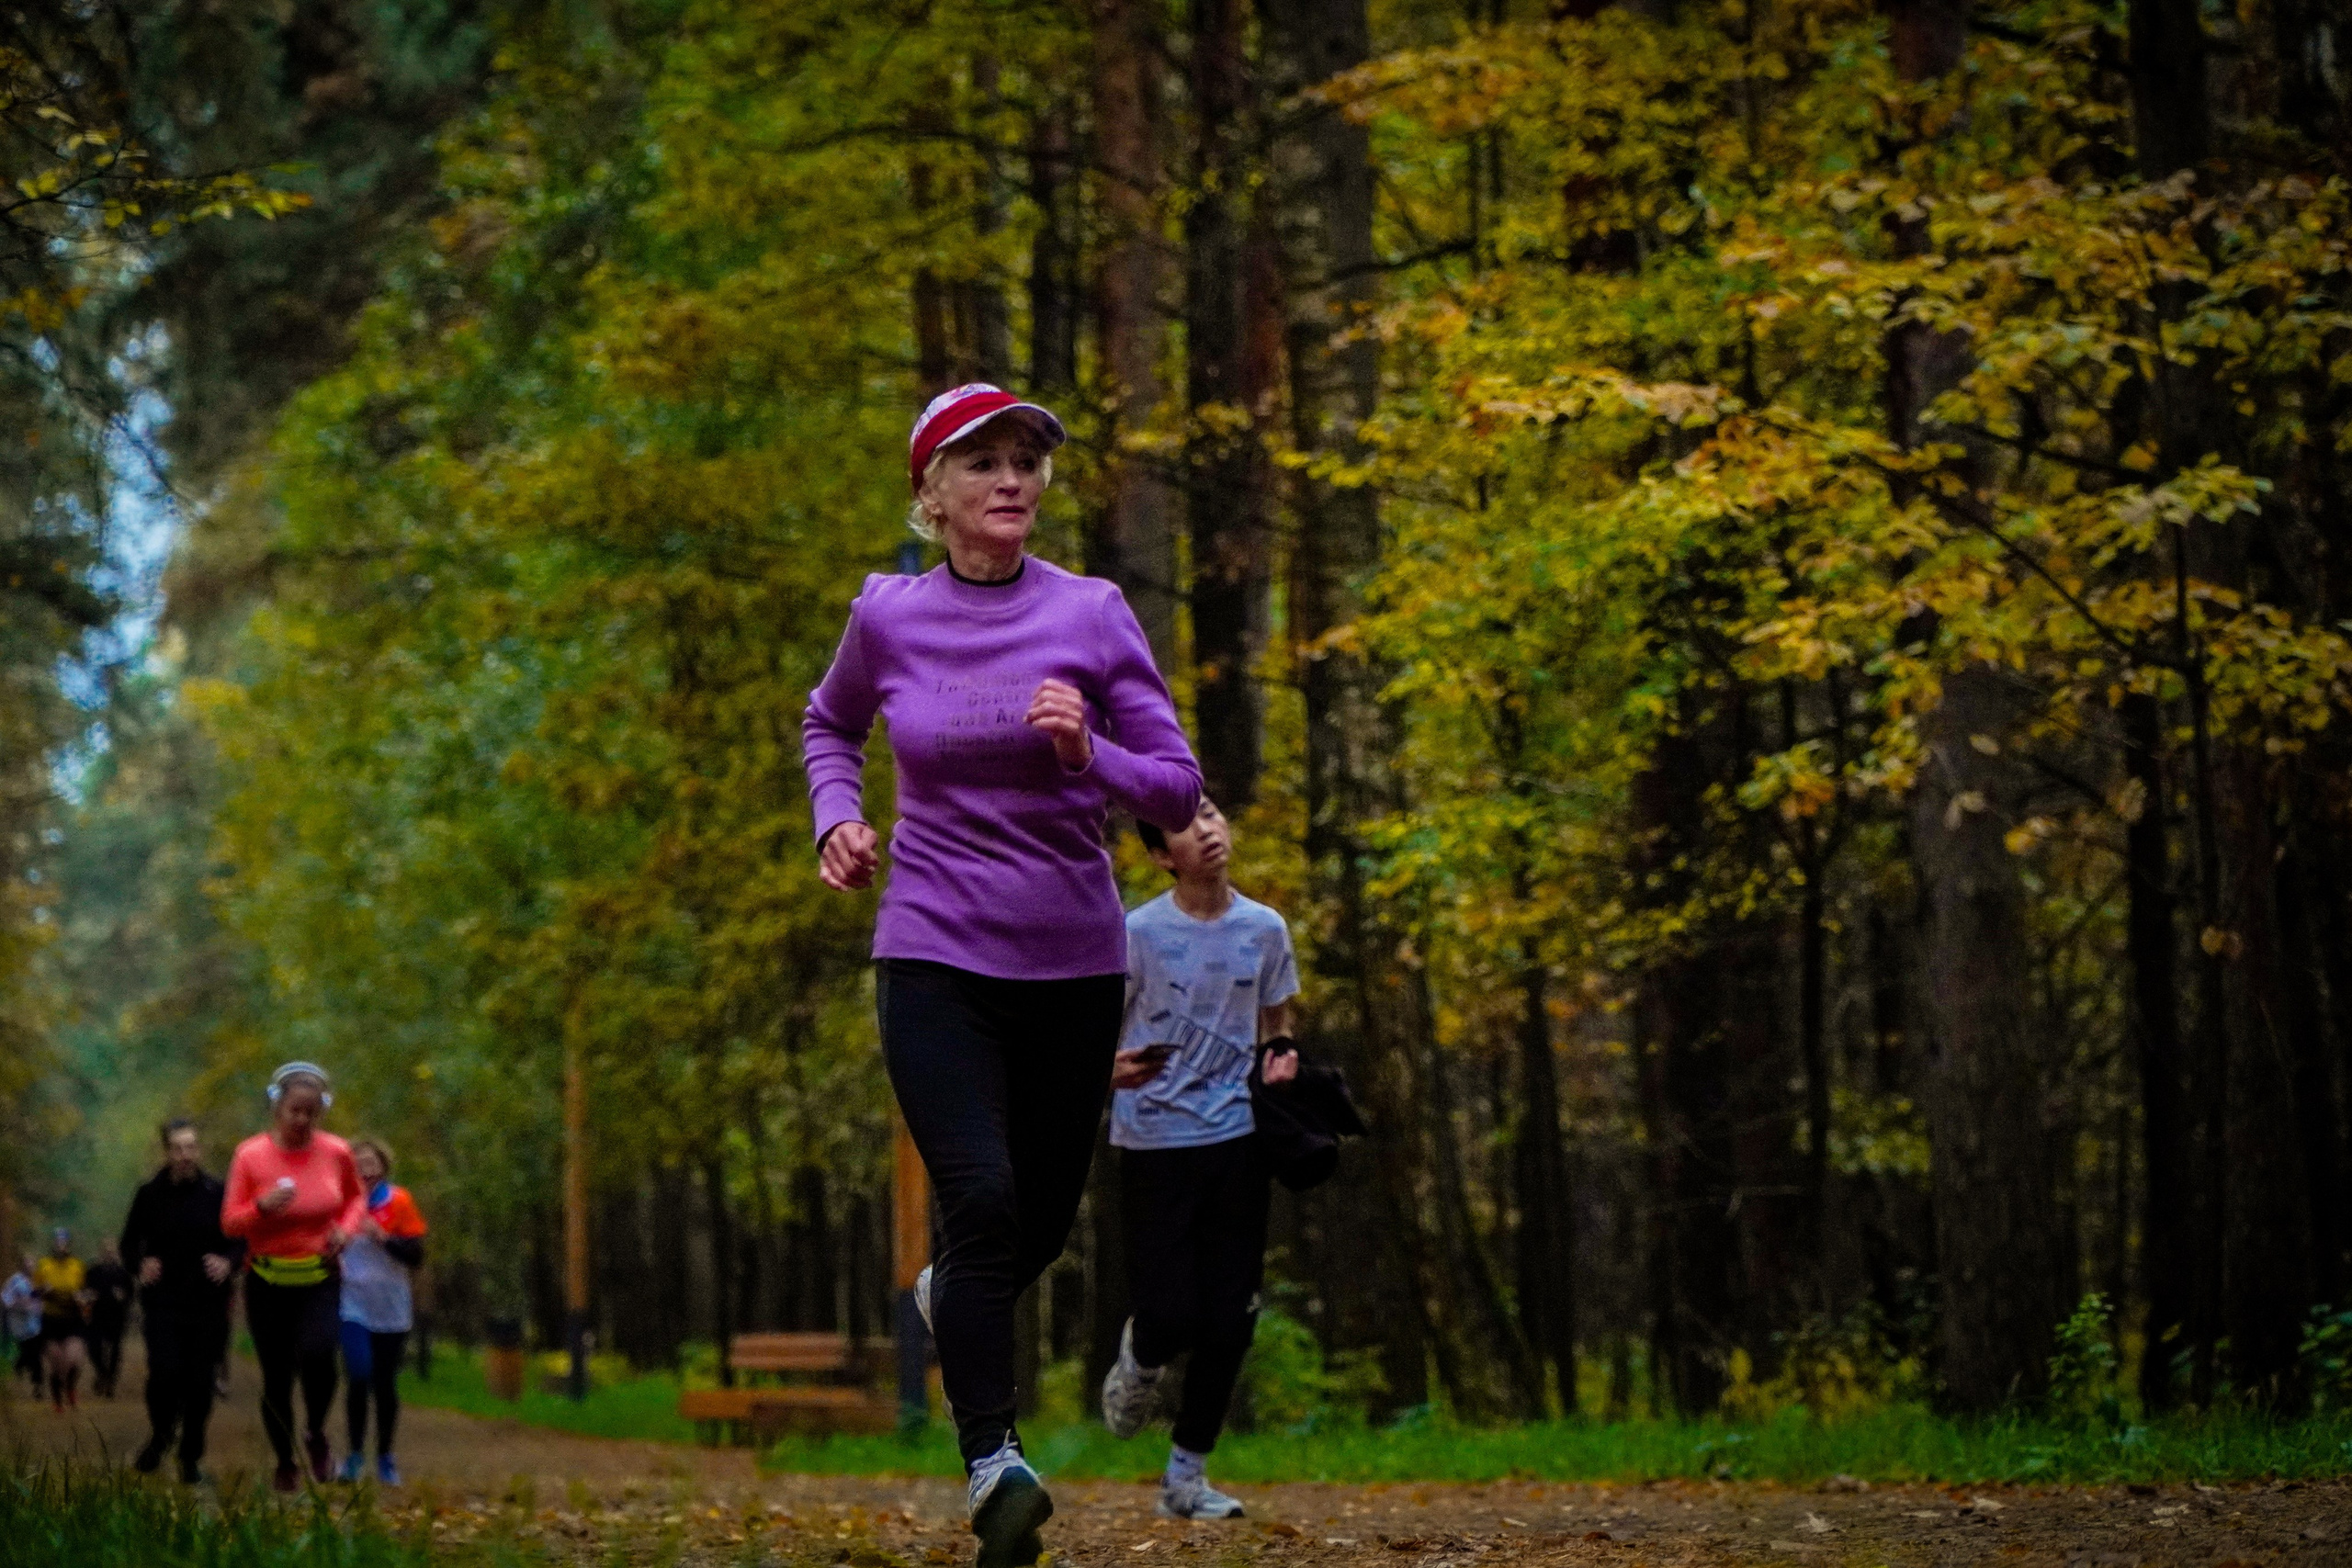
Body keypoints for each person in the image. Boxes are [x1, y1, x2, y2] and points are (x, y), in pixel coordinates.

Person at [803, 382, 1202, 1568]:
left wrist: (1093, 750)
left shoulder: (1092, 611)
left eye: (1027, 458)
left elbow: (1177, 788)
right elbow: (830, 725)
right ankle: (995, 1460)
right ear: (932, 494)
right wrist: (838, 819)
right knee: (977, 1195)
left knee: (1029, 1221)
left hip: (1072, 959)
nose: (1013, 479)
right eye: (983, 462)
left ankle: (951, 1305)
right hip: (930, 947)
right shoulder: (888, 616)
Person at [1098, 798, 1300, 1519]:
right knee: (1172, 1309)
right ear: (1161, 855)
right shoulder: (1136, 933)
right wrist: (1107, 1070)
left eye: (1211, 815)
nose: (1207, 831)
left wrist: (1281, 1058)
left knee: (1231, 1318)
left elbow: (1278, 1023)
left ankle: (1186, 1475)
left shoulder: (1265, 928)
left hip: (1237, 1141)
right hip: (1153, 1141)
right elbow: (1099, 1031)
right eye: (1187, 826)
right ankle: (1141, 1355)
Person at [220, 1062, 367, 1491]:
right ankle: (285, 1461)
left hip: (320, 1275)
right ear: (276, 1107)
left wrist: (346, 1229)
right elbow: (230, 1223)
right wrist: (261, 1208)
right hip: (267, 1281)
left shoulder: (337, 1151)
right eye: (294, 1111)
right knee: (278, 1376)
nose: (302, 1120)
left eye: (310, 1112)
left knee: (321, 1359)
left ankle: (316, 1433)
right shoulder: (250, 1155)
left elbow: (355, 1201)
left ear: (321, 1111)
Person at [119, 1118, 243, 1484]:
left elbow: (241, 1240)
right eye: (178, 1148)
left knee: (199, 1384)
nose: (186, 1155)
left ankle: (190, 1455)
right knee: (164, 1373)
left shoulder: (218, 1193)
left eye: (191, 1147)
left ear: (199, 1150)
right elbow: (128, 1243)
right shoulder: (148, 1194)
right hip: (163, 1302)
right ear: (167, 1152)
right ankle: (161, 1435)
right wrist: (139, 1264)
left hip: (207, 1303)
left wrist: (228, 1262)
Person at [336, 1137, 425, 1485]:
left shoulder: (399, 1201)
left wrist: (383, 1238)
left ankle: (386, 1456)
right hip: (350, 1303)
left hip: (391, 1306)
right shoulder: (338, 1203)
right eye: (358, 1165)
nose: (365, 1171)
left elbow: (417, 1256)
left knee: (385, 1383)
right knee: (359, 1374)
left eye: (371, 1164)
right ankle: (355, 1455)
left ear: (383, 1168)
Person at [33, 1229, 90, 1412]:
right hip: (51, 1320)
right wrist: (44, 1291)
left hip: (72, 1319)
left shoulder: (77, 1266)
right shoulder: (44, 1265)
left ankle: (71, 1388)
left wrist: (82, 1300)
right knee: (57, 1362)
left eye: (64, 1242)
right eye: (57, 1241)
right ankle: (58, 1401)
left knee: (73, 1360)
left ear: (68, 1245)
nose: (60, 1245)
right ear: (53, 1244)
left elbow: (85, 1293)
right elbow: (34, 1292)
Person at [84, 1242, 134, 1398]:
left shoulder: (123, 1273)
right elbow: (83, 1291)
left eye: (112, 1252)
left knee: (115, 1350)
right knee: (94, 1348)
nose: (109, 1255)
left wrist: (123, 1297)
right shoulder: (93, 1272)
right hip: (97, 1316)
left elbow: (131, 1295)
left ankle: (111, 1380)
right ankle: (101, 1372)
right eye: (106, 1252)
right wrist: (89, 1298)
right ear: (102, 1254)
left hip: (116, 1317)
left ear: (117, 1255)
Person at [2, 1254, 40, 1391]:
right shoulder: (15, 1281)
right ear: (22, 1265)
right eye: (27, 1263)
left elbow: (36, 1299)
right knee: (28, 1353)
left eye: (32, 1262)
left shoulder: (37, 1280)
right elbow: (6, 1299)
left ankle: (37, 1384)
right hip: (20, 1325)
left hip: (36, 1325)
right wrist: (19, 1304)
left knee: (35, 1354)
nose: (30, 1265)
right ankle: (22, 1372)